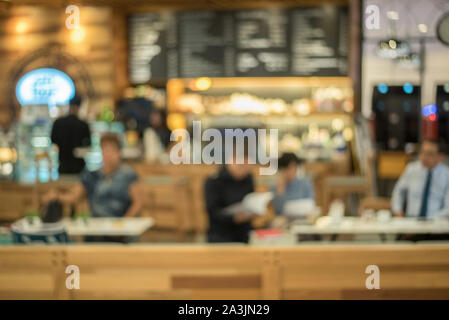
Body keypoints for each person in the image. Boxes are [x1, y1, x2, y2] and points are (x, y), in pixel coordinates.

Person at [52, 133, 144, 219]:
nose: (109, 154)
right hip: (97, 228)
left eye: (112, 150)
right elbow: (74, 196)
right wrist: (56, 196)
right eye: (105, 150)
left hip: (123, 230)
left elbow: (138, 203)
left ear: (119, 153)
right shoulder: (91, 175)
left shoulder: (128, 175)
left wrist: (124, 223)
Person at [392, 139, 449, 219]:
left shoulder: (446, 174)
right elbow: (398, 191)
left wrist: (434, 219)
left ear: (441, 156)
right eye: (422, 152)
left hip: (436, 222)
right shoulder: (411, 169)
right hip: (411, 221)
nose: (424, 157)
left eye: (430, 154)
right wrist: (397, 211)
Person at [204, 156, 257, 243]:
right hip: (220, 233)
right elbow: (212, 211)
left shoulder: (248, 179)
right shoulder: (214, 181)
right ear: (231, 161)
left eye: (248, 168)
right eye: (242, 166)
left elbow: (250, 201)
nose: (244, 170)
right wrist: (235, 218)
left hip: (244, 231)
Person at [51, 95, 91, 174]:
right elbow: (88, 144)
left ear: (69, 106)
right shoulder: (83, 125)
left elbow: (53, 140)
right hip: (79, 166)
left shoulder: (58, 123)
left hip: (62, 164)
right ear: (79, 107)